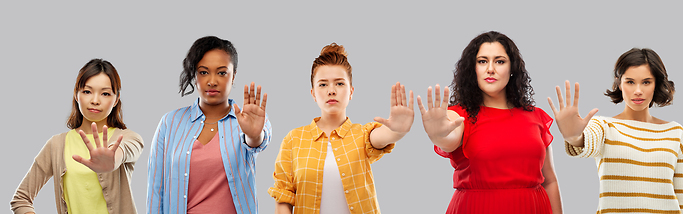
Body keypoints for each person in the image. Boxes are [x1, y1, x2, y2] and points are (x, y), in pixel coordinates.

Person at [417, 31, 563, 214]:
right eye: (482, 61)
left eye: (500, 61)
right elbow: (449, 137)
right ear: (473, 69)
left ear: (512, 69)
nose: (490, 69)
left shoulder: (536, 116)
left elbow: (549, 181)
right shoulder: (458, 115)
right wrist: (438, 133)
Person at [269, 42, 413, 214]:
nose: (331, 90)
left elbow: (382, 136)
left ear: (351, 91)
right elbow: (283, 197)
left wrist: (398, 130)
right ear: (313, 93)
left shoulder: (362, 134)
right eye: (323, 84)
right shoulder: (293, 140)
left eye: (339, 83)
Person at [550, 48, 683, 213]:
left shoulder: (675, 132)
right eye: (630, 82)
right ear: (619, 84)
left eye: (646, 82)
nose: (638, 90)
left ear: (657, 84)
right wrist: (573, 136)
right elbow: (585, 142)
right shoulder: (604, 126)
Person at [146, 36, 271, 214]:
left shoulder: (249, 119)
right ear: (194, 75)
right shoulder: (170, 122)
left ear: (233, 76)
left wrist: (253, 135)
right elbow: (155, 189)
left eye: (221, 73)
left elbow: (258, 142)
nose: (212, 81)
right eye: (204, 72)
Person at [11, 59, 144, 214]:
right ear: (76, 94)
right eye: (87, 91)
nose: (95, 100)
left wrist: (112, 160)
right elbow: (21, 198)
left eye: (105, 93)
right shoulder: (56, 145)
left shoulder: (129, 138)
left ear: (116, 99)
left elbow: (125, 151)